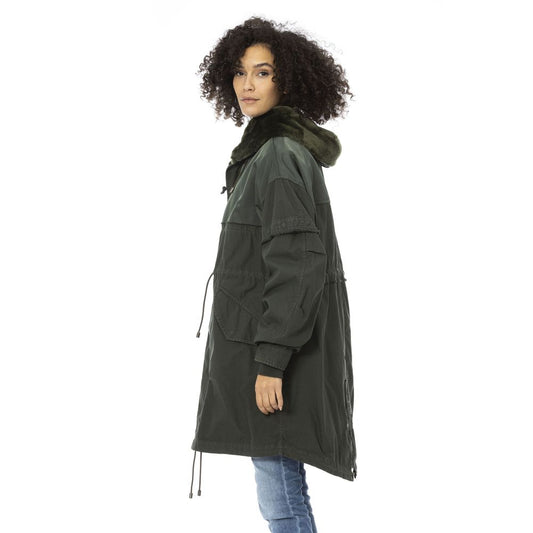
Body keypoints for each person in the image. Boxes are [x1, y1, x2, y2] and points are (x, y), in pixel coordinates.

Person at [189, 16, 357, 532]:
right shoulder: (266, 152)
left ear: (288, 81)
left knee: (281, 499)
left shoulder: (279, 155)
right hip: (268, 352)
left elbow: (297, 264)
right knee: (280, 492)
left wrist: (270, 362)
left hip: (275, 360)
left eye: (262, 73)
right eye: (240, 72)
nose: (247, 84)